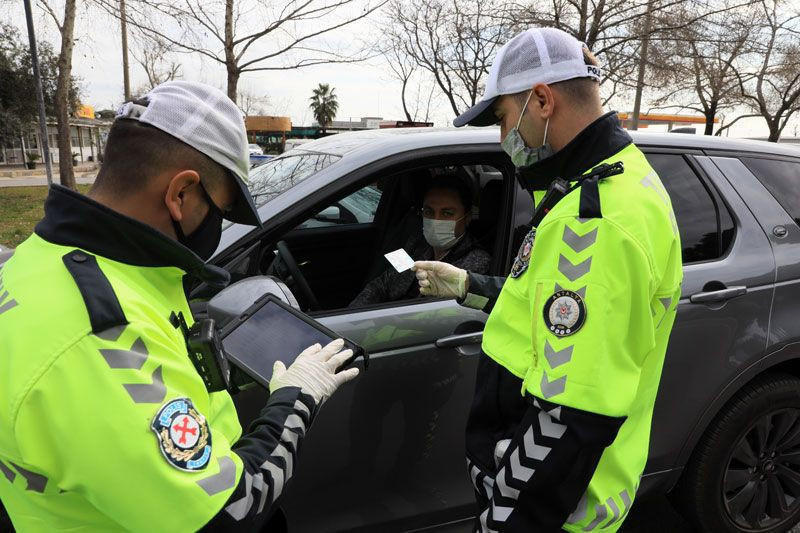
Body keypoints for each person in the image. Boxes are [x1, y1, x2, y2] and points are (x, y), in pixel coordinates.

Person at [0, 81, 358, 532]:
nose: (218, 226)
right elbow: (229, 513)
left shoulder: (35, 261)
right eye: (221, 210)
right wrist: (296, 401)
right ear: (181, 194)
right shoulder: (100, 337)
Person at [413, 28, 683, 532]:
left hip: (554, 511)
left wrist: (504, 522)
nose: (501, 138)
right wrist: (469, 286)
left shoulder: (592, 221)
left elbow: (567, 419)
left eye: (501, 119)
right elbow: (551, 309)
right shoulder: (612, 177)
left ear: (541, 99)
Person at [350, 175, 490, 307]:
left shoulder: (476, 262)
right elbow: (382, 285)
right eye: (429, 212)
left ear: (467, 218)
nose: (436, 220)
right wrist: (351, 316)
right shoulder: (417, 244)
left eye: (447, 213)